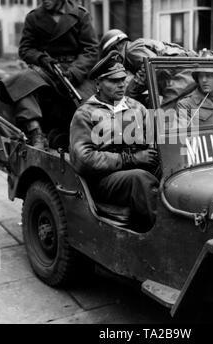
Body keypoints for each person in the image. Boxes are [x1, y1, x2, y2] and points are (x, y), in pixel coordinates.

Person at [0, 0, 99, 150]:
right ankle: (36, 133)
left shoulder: (80, 15)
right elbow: (25, 49)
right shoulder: (34, 18)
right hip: (47, 70)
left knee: (91, 105)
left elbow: (91, 49)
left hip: (75, 71)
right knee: (21, 82)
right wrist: (42, 59)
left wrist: (75, 72)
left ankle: (90, 142)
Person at [69, 51, 160, 231]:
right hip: (104, 180)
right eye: (113, 81)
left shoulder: (136, 107)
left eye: (123, 79)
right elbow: (83, 160)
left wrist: (154, 152)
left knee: (172, 172)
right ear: (98, 84)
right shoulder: (85, 114)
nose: (121, 85)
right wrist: (130, 159)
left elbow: (154, 139)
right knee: (140, 179)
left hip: (137, 169)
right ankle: (160, 235)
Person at [99, 29, 199, 105]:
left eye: (110, 56)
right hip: (182, 71)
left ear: (116, 47)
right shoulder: (133, 53)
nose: (112, 61)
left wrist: (129, 92)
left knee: (165, 111)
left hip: (184, 70)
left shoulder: (131, 49)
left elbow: (152, 66)